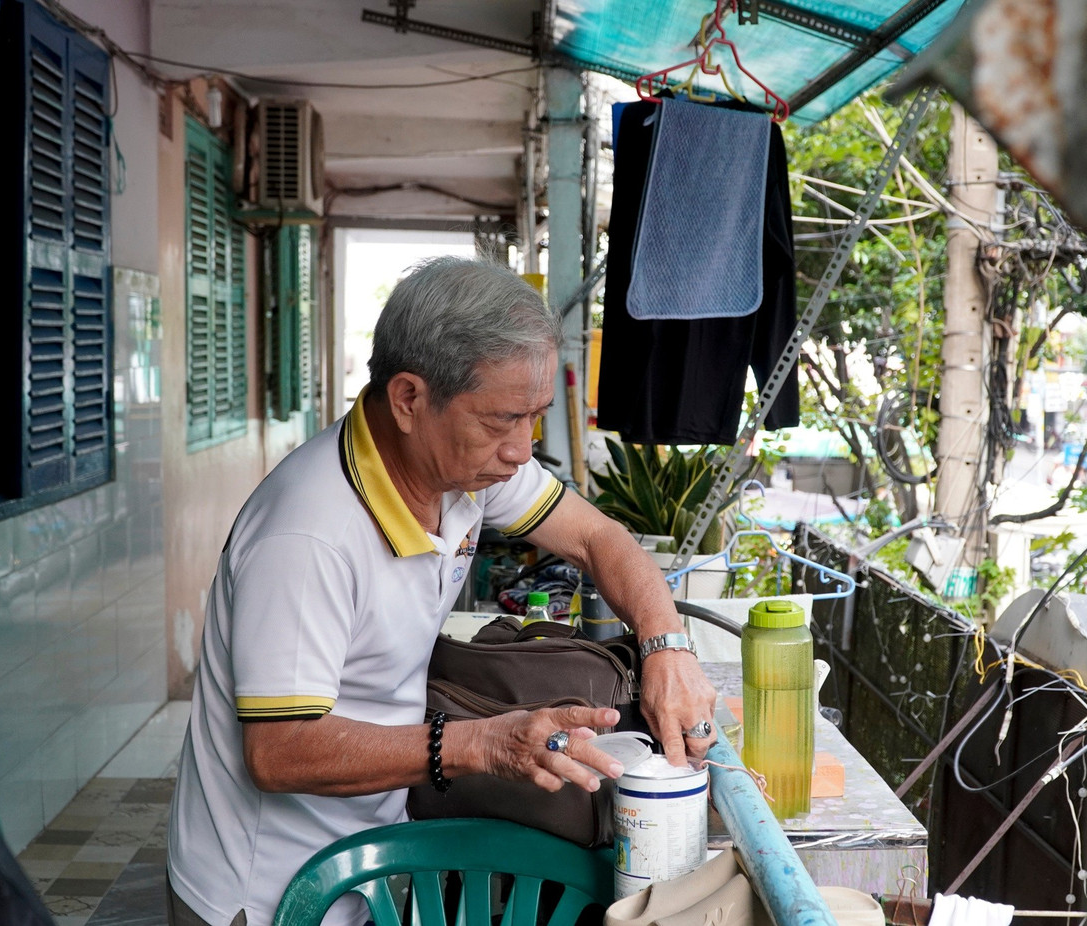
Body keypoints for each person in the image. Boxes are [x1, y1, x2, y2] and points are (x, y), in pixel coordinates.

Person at [166, 257, 719, 926]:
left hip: (369, 850)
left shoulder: (462, 466)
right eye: (502, 421)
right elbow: (279, 751)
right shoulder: (308, 537)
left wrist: (667, 648)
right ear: (408, 399)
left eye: (535, 419)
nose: (522, 449)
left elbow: (600, 539)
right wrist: (478, 744)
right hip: (265, 892)